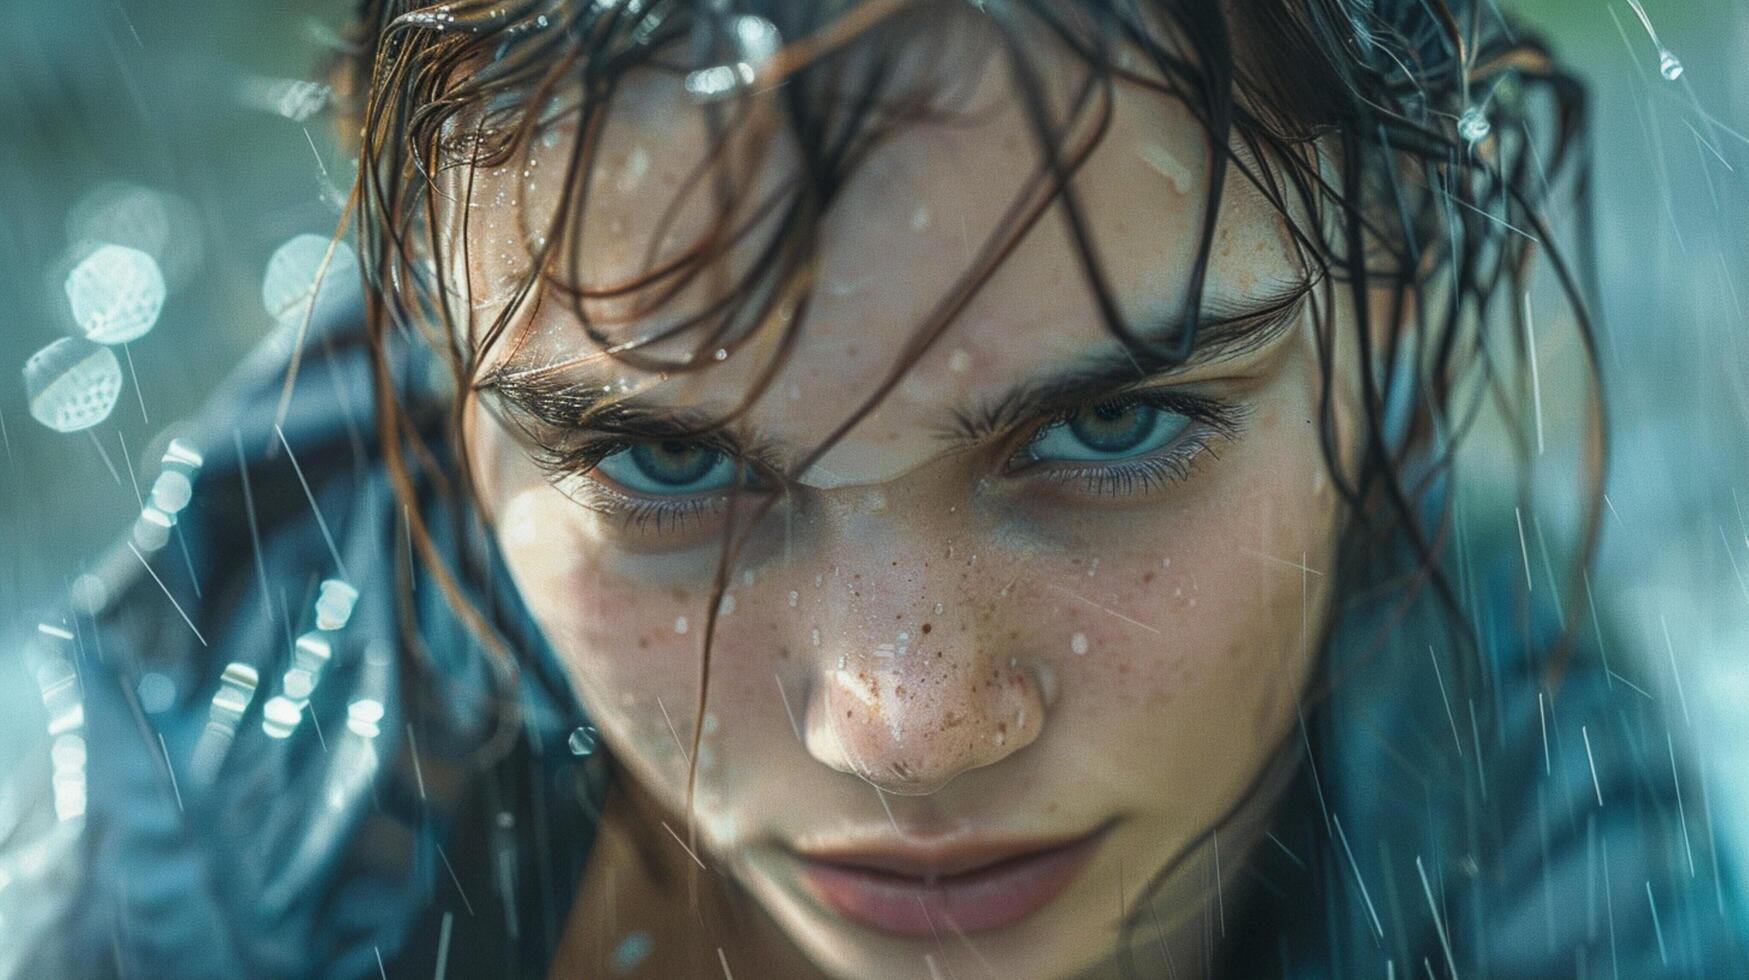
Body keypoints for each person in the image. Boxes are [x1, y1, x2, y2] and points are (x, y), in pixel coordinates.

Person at [4, 1, 1743, 977]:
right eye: (661, 459)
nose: (903, 726)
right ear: (441, 376)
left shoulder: (1532, 826)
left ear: (1385, 306)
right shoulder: (185, 895)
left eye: (1114, 429)